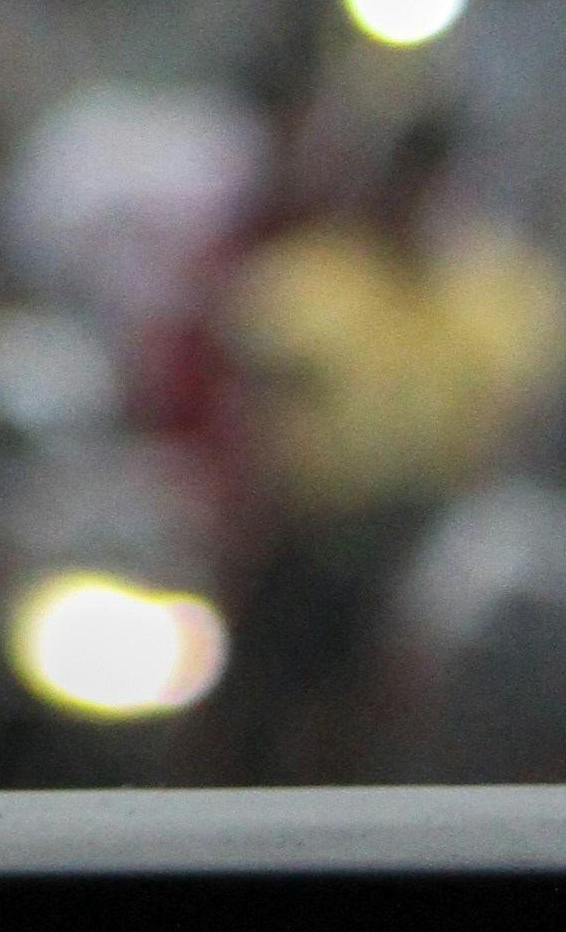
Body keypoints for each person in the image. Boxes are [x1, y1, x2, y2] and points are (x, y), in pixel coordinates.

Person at [215, 108, 566, 775]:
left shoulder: (502, 289)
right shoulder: (306, 278)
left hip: (452, 527)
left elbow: (521, 418)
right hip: (324, 530)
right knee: (271, 668)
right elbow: (259, 413)